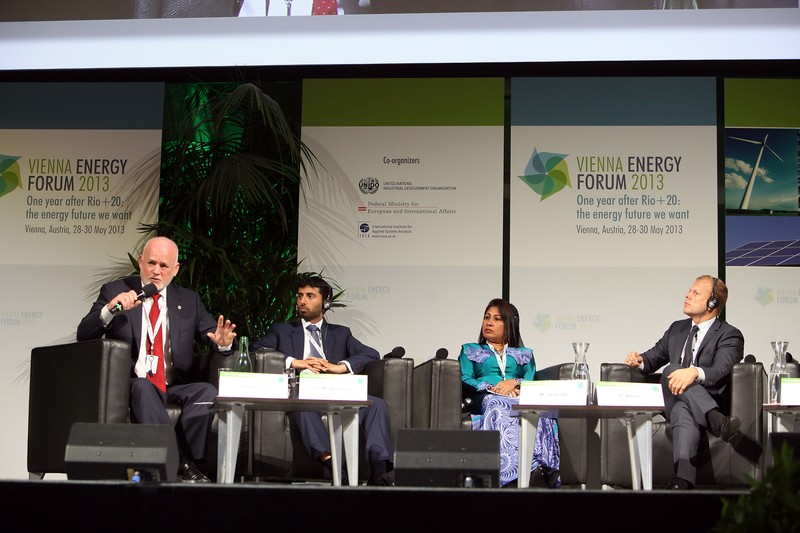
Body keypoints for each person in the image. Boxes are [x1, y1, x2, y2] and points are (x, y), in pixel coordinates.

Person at [77, 236, 237, 483]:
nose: (156, 271)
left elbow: (213, 334)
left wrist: (223, 343)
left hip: (172, 385)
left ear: (176, 269)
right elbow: (84, 334)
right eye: (151, 263)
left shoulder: (188, 300)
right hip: (133, 382)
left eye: (164, 266)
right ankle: (181, 464)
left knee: (205, 391)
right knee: (143, 387)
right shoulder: (116, 290)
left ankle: (191, 461)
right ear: (141, 261)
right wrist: (109, 310)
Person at [252, 275, 394, 485]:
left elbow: (370, 353)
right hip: (302, 391)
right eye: (300, 296)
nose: (302, 301)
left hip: (334, 391)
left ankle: (379, 471)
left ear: (325, 302)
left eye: (310, 296)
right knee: (301, 405)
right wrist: (295, 362)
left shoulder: (341, 333)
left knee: (376, 405)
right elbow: (256, 348)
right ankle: (333, 465)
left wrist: (340, 367)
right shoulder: (282, 330)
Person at [624, 275, 744, 490]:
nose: (687, 295)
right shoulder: (676, 329)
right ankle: (716, 420)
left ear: (713, 302)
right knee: (672, 370)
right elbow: (652, 359)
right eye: (689, 291)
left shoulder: (729, 335)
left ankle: (682, 482)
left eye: (695, 293)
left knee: (683, 409)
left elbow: (721, 370)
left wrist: (694, 372)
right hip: (673, 399)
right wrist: (638, 360)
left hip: (704, 400)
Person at [459, 298, 560, 488]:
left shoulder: (524, 353)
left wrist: (514, 382)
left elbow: (530, 379)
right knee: (500, 404)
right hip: (484, 396)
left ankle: (539, 469)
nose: (489, 323)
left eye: (497, 319)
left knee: (536, 407)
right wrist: (494, 388)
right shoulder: (470, 350)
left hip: (517, 394)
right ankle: (509, 477)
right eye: (487, 317)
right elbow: (464, 377)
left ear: (509, 324)